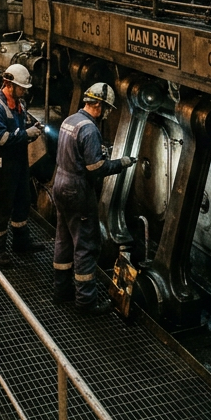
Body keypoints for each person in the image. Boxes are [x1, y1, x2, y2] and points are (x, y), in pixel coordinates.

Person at [52, 82, 135, 314]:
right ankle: (86, 302)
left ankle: (62, 291)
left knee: (64, 239)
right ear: (97, 105)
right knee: (86, 245)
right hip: (77, 190)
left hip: (60, 183)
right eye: (107, 108)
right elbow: (95, 168)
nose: (107, 113)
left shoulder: (70, 121)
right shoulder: (89, 129)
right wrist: (121, 163)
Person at [0, 64, 45, 267]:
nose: (24, 91)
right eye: (21, 87)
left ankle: (21, 242)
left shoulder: (19, 104)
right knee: (2, 206)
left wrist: (31, 129)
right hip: (2, 164)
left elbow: (17, 130)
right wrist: (25, 134)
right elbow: (0, 138)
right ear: (8, 84)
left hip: (18, 162)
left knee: (22, 200)